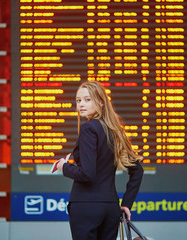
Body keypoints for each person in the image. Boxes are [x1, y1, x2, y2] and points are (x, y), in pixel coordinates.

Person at [57, 81, 144, 240]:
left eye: (87, 99)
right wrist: (126, 204)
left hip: (86, 206)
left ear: (101, 102)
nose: (81, 104)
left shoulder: (89, 128)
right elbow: (137, 170)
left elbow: (87, 174)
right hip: (111, 208)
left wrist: (64, 167)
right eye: (78, 100)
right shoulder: (115, 131)